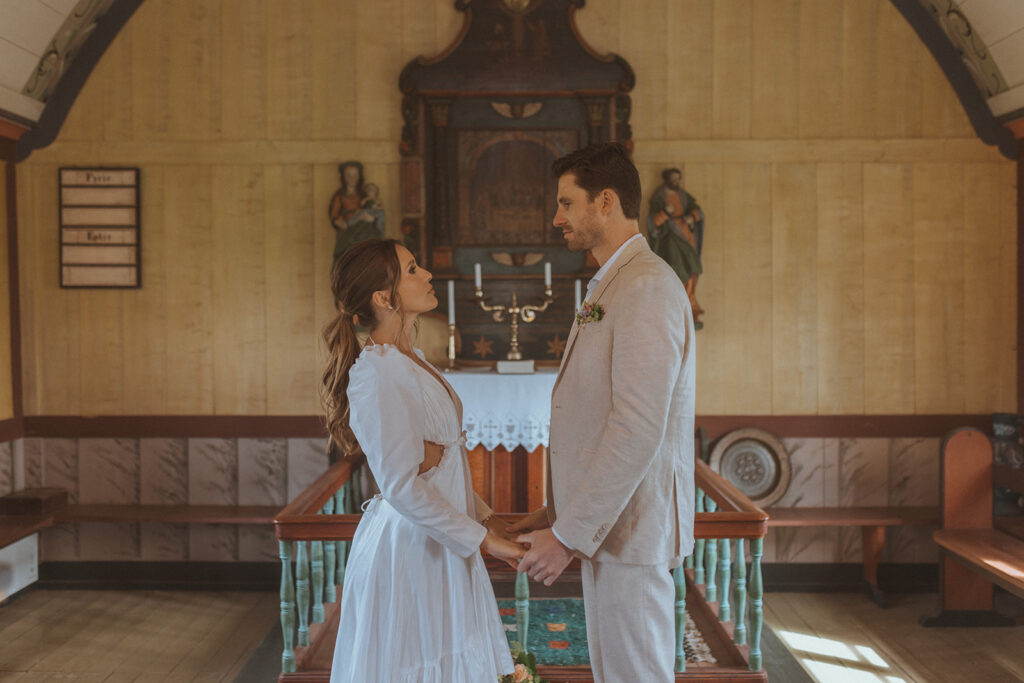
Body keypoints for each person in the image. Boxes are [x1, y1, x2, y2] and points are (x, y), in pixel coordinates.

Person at [509, 143, 696, 681]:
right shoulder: (619, 281)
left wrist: (568, 536)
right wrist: (558, 511)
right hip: (612, 527)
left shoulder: (646, 287)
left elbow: (637, 427)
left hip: (631, 529)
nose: (556, 218)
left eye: (567, 204)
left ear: (606, 201)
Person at [322, 238, 522, 682]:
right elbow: (400, 486)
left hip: (439, 543)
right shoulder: (379, 372)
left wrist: (486, 517)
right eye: (412, 269)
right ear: (382, 297)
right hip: (413, 550)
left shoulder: (407, 360)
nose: (427, 274)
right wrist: (484, 541)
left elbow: (440, 464)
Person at [647, 167, 704, 325]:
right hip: (670, 239)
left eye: (678, 179)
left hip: (687, 237)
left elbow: (699, 213)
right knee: (677, 270)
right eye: (673, 179)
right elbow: (653, 223)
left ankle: (689, 303)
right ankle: (676, 305)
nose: (675, 182)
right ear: (667, 180)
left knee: (692, 269)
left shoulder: (684, 196)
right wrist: (665, 212)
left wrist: (692, 217)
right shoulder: (659, 197)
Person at [329, 162, 385, 269]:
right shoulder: (340, 196)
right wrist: (339, 222)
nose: (352, 178)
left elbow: (376, 211)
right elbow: (334, 215)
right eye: (348, 175)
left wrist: (372, 220)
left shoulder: (365, 195)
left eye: (354, 175)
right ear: (343, 177)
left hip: (365, 231)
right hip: (348, 231)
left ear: (359, 176)